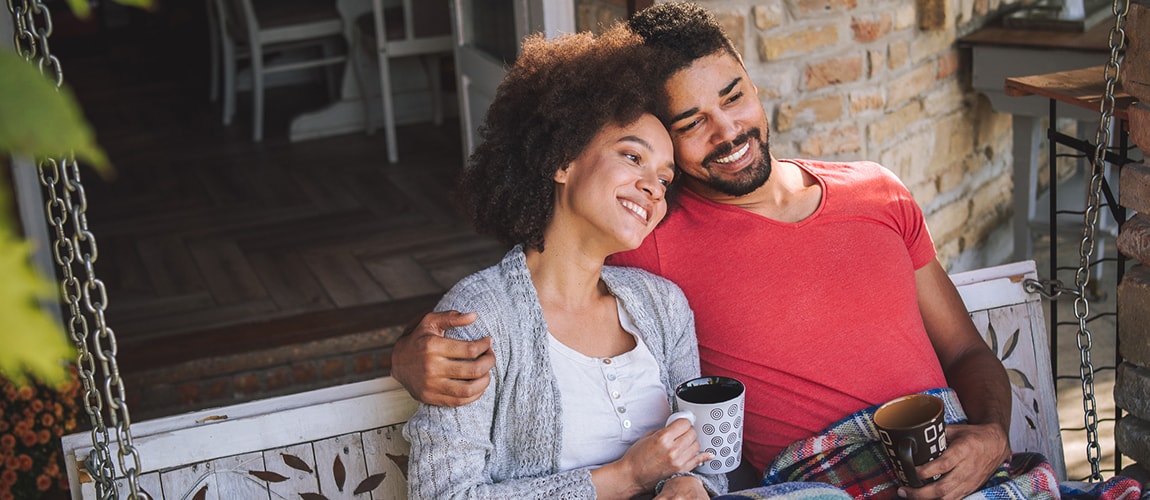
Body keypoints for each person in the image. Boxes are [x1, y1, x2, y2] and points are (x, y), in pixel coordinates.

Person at [393, 4, 1015, 499]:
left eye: (734, 95)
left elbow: (964, 350)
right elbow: (534, 284)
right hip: (824, 480)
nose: (727, 131)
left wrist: (991, 433)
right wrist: (404, 356)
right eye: (689, 124)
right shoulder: (653, 241)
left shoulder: (877, 192)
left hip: (953, 457)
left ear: (754, 84)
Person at [402, 25, 727, 499]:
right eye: (632, 156)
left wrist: (689, 482)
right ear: (562, 160)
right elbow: (443, 496)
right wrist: (626, 477)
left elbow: (707, 457)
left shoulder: (663, 305)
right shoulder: (480, 317)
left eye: (664, 177)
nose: (654, 187)